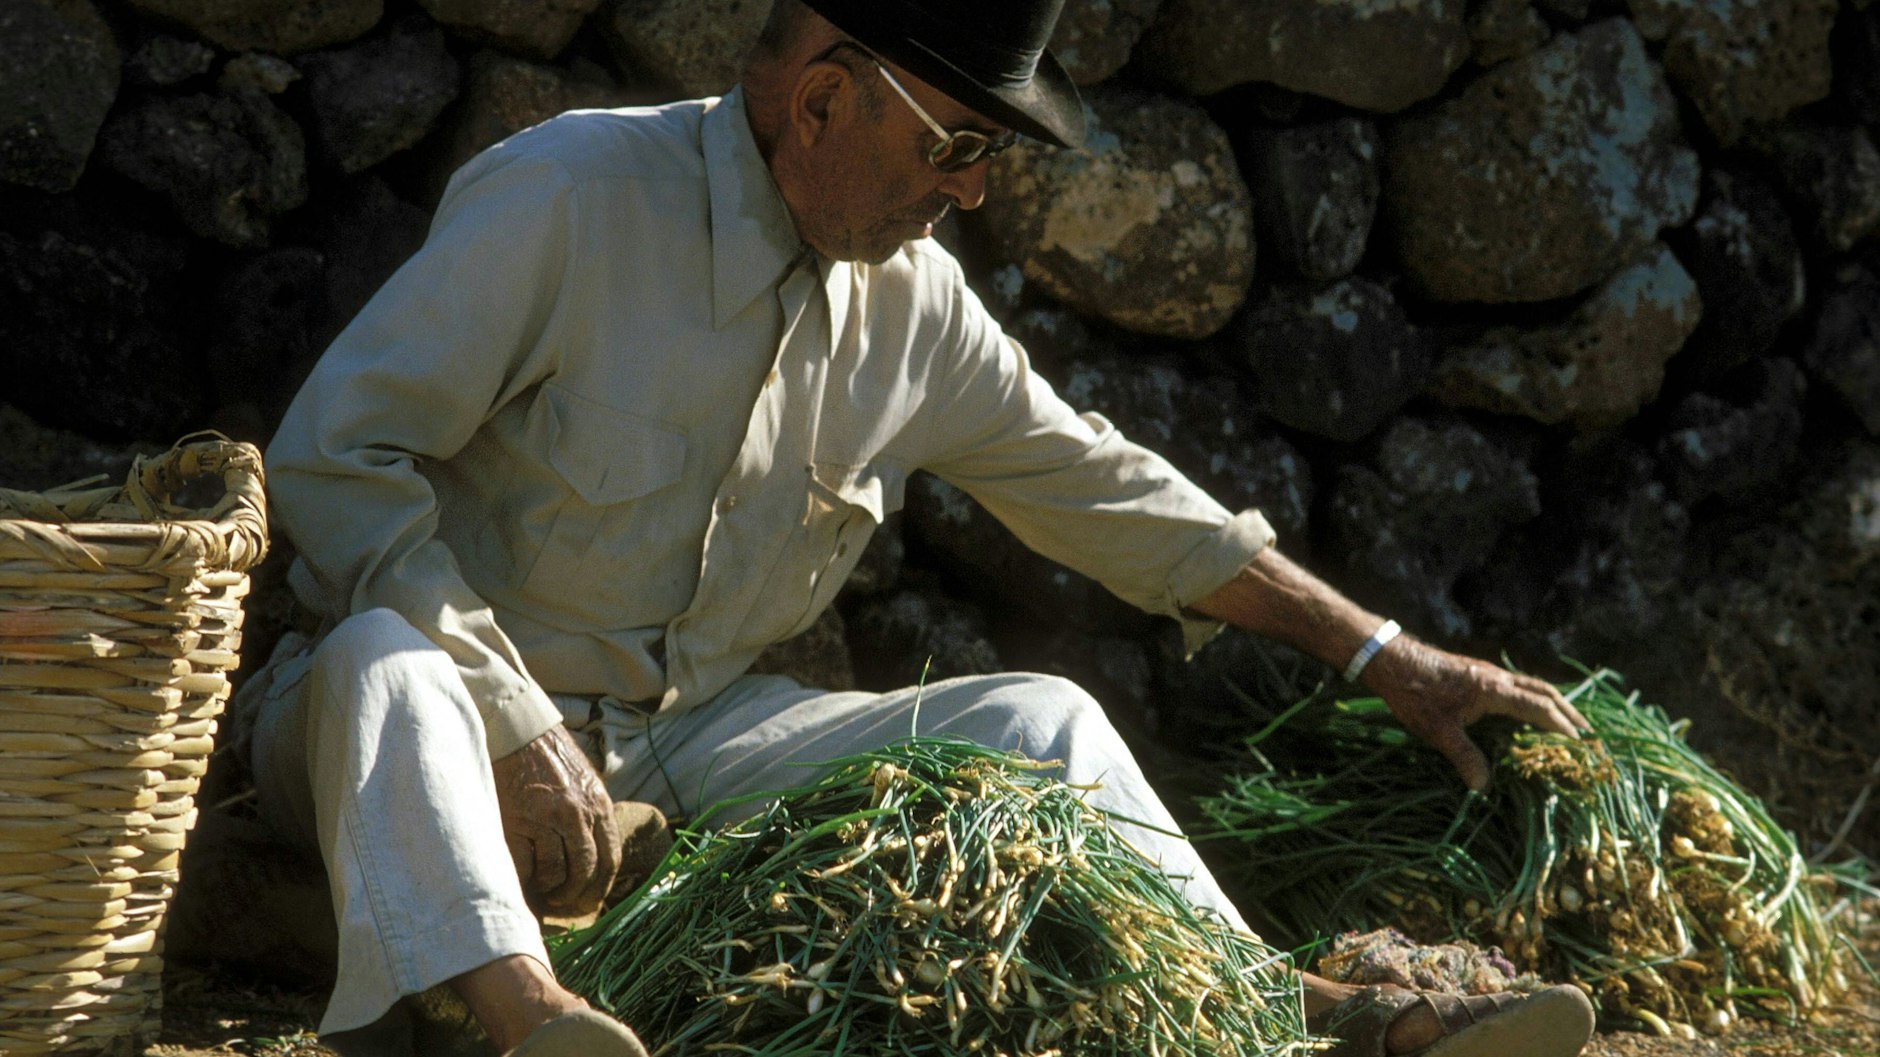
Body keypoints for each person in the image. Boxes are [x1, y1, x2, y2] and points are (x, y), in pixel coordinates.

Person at [247, 0, 1600, 1054]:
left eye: (989, 155)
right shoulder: (569, 197)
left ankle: (1282, 1013)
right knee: (388, 658)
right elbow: (333, 455)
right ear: (822, 100)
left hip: (689, 749)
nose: (972, 193)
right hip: (414, 732)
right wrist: (512, 717)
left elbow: (1108, 490)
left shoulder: (916, 307)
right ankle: (529, 1018)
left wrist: (1380, 653)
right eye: (958, 147)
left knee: (1041, 717)